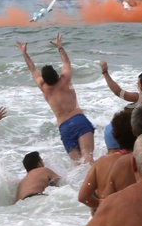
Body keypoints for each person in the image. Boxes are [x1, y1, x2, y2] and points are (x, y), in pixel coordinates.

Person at [16, 33, 94, 163]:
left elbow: (33, 70)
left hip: (64, 127)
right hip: (78, 120)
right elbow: (66, 62)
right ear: (57, 74)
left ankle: (80, 183)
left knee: (77, 164)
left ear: (44, 79)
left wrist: (24, 53)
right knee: (88, 156)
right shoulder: (64, 80)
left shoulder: (44, 87)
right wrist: (59, 47)